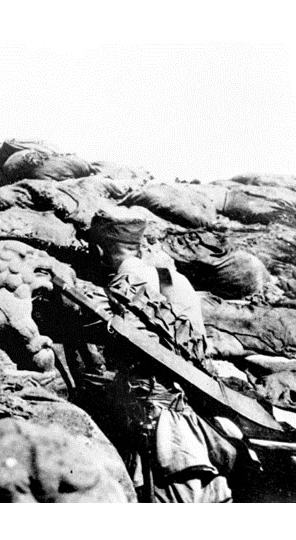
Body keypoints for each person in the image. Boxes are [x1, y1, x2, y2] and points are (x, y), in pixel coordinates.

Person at [84, 208, 237, 503]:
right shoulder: (176, 280)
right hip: (191, 410)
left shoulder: (121, 286)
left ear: (99, 249)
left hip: (157, 422)